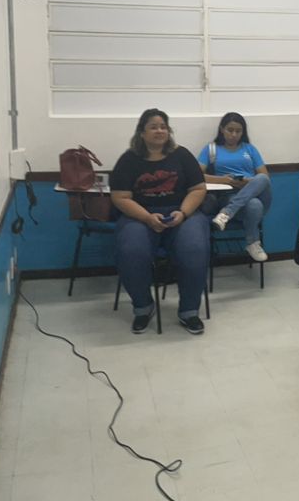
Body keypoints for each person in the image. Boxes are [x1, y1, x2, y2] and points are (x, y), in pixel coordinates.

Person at [109, 108, 209, 335]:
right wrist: (146, 217)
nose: (159, 131)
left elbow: (198, 189)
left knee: (195, 248)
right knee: (131, 250)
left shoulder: (182, 155)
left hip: (181, 214)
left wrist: (183, 213)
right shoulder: (128, 160)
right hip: (140, 216)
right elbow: (120, 197)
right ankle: (143, 307)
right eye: (153, 127)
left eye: (163, 126)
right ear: (141, 133)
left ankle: (189, 311)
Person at [199, 111, 271, 262]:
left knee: (263, 179)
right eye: (230, 130)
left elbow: (264, 176)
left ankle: (226, 213)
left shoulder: (249, 149)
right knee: (254, 205)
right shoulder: (211, 149)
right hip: (228, 195)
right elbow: (198, 175)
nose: (234, 134)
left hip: (253, 191)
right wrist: (223, 180)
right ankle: (252, 243)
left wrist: (247, 182)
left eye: (238, 131)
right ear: (222, 129)